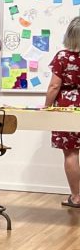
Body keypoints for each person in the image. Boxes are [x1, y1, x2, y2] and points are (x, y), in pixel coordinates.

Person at [45, 17, 80, 207]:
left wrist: (47, 106)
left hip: (67, 107)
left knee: (71, 153)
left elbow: (54, 86)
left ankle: (77, 196)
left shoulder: (63, 57)